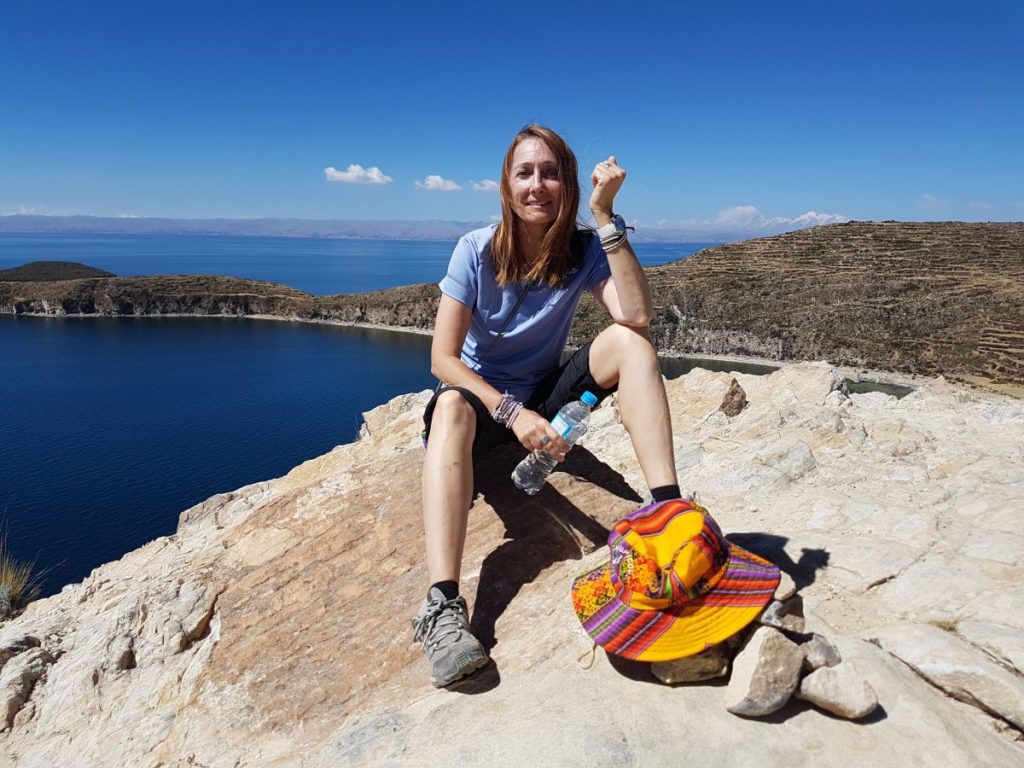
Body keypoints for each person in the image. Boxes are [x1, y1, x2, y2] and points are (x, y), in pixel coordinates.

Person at [412, 125, 681, 687]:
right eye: (525, 173)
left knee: (632, 343)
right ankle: (442, 606)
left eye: (551, 173)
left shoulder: (583, 248)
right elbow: (442, 359)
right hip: (480, 402)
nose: (537, 185)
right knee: (452, 408)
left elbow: (636, 314)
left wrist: (605, 217)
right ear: (506, 186)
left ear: (570, 185)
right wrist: (512, 413)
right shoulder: (476, 249)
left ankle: (669, 515)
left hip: (544, 393)